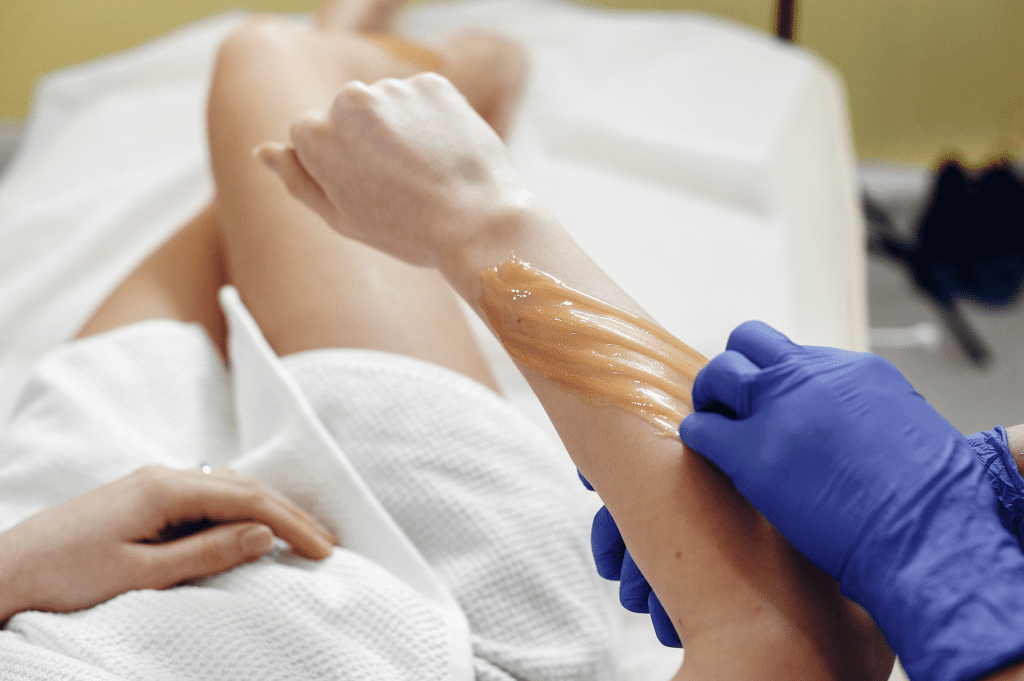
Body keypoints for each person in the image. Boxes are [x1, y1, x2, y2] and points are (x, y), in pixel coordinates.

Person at [0, 1, 891, 678]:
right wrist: (474, 213)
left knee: (268, 158)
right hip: (432, 601)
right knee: (259, 62)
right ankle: (443, 75)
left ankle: (344, 50)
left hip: (42, 581)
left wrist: (15, 567)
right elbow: (790, 643)